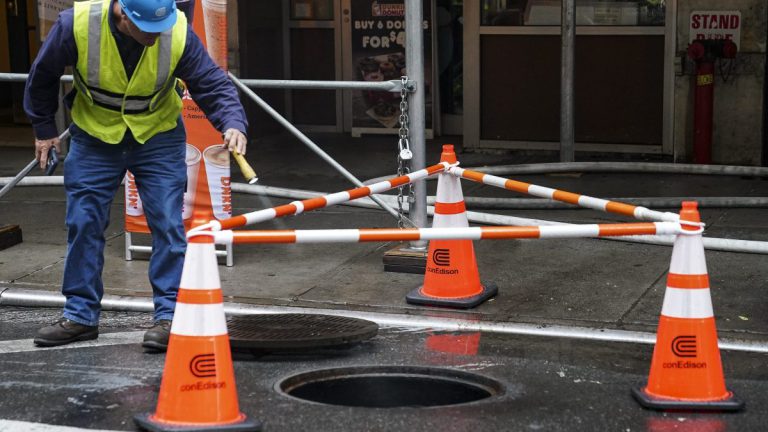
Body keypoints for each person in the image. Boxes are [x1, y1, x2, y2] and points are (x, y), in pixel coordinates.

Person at [24, 0, 248, 351]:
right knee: (84, 223)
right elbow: (44, 73)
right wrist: (43, 127)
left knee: (168, 225)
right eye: (148, 30)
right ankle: (80, 315)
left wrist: (233, 123)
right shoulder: (76, 23)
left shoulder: (176, 30)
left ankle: (170, 315)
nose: (157, 37)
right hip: (95, 135)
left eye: (161, 29)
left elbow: (210, 83)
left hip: (157, 135)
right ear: (123, 14)